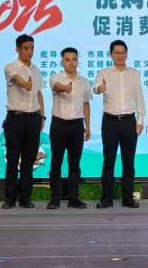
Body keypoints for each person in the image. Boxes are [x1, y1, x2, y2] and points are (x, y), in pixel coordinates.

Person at [94, 40, 146, 209]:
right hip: (110, 122)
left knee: (128, 162)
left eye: (123, 52)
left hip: (129, 121)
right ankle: (106, 198)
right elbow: (96, 86)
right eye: (116, 52)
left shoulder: (134, 73)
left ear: (127, 54)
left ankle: (127, 198)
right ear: (111, 54)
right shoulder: (103, 72)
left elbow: (139, 97)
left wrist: (140, 120)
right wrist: (99, 88)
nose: (120, 55)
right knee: (108, 161)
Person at [2, 34, 45, 209]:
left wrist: (42, 116)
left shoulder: (36, 70)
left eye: (32, 48)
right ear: (17, 49)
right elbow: (16, 80)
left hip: (34, 118)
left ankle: (25, 197)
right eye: (26, 48)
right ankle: (10, 197)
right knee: (12, 159)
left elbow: (39, 93)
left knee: (29, 160)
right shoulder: (10, 67)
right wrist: (25, 84)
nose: (30, 51)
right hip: (15, 119)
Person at [47, 47, 92, 210]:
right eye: (67, 59)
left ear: (78, 60)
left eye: (74, 59)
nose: (71, 62)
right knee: (56, 163)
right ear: (62, 61)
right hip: (58, 125)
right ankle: (55, 198)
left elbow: (86, 105)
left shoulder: (84, 81)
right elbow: (57, 86)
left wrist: (88, 126)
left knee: (74, 164)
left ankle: (74, 198)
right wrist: (66, 88)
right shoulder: (55, 78)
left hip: (77, 126)